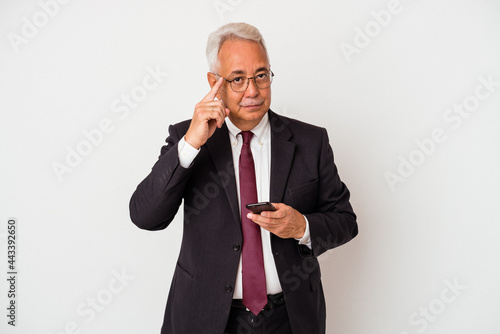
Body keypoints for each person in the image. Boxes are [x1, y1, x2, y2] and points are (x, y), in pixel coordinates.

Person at [129, 22, 358, 334]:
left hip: (290, 319)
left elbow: (345, 222)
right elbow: (146, 216)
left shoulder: (310, 141)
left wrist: (301, 226)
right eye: (237, 79)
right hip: (205, 317)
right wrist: (191, 144)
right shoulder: (189, 138)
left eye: (261, 76)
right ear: (214, 82)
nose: (253, 91)